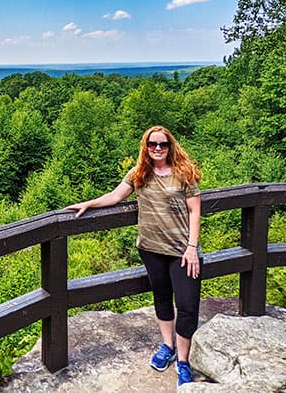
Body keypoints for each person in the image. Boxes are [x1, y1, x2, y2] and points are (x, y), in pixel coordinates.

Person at [66, 125, 202, 387]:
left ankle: (183, 362)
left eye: (163, 144)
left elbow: (195, 212)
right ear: (146, 146)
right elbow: (115, 196)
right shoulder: (139, 173)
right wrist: (89, 203)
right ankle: (167, 346)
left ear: (170, 146)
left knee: (187, 306)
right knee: (162, 298)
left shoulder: (184, 174)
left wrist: (192, 248)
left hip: (181, 251)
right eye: (153, 144)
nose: (158, 149)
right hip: (151, 249)